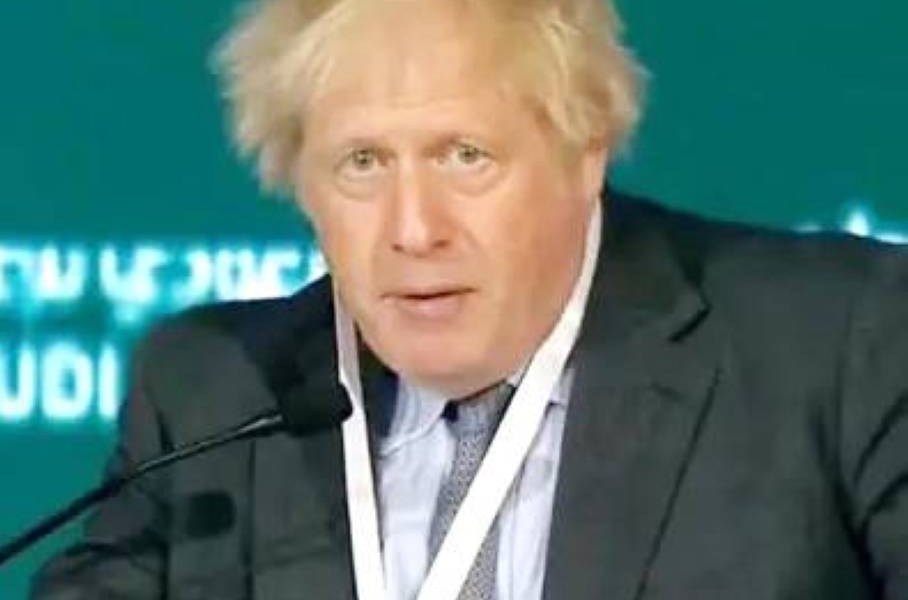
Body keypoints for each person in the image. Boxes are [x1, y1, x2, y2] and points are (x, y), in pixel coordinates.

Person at [31, 0, 908, 598]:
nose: (414, 229)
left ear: (585, 152)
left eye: (464, 156)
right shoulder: (211, 398)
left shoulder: (839, 346)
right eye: (363, 163)